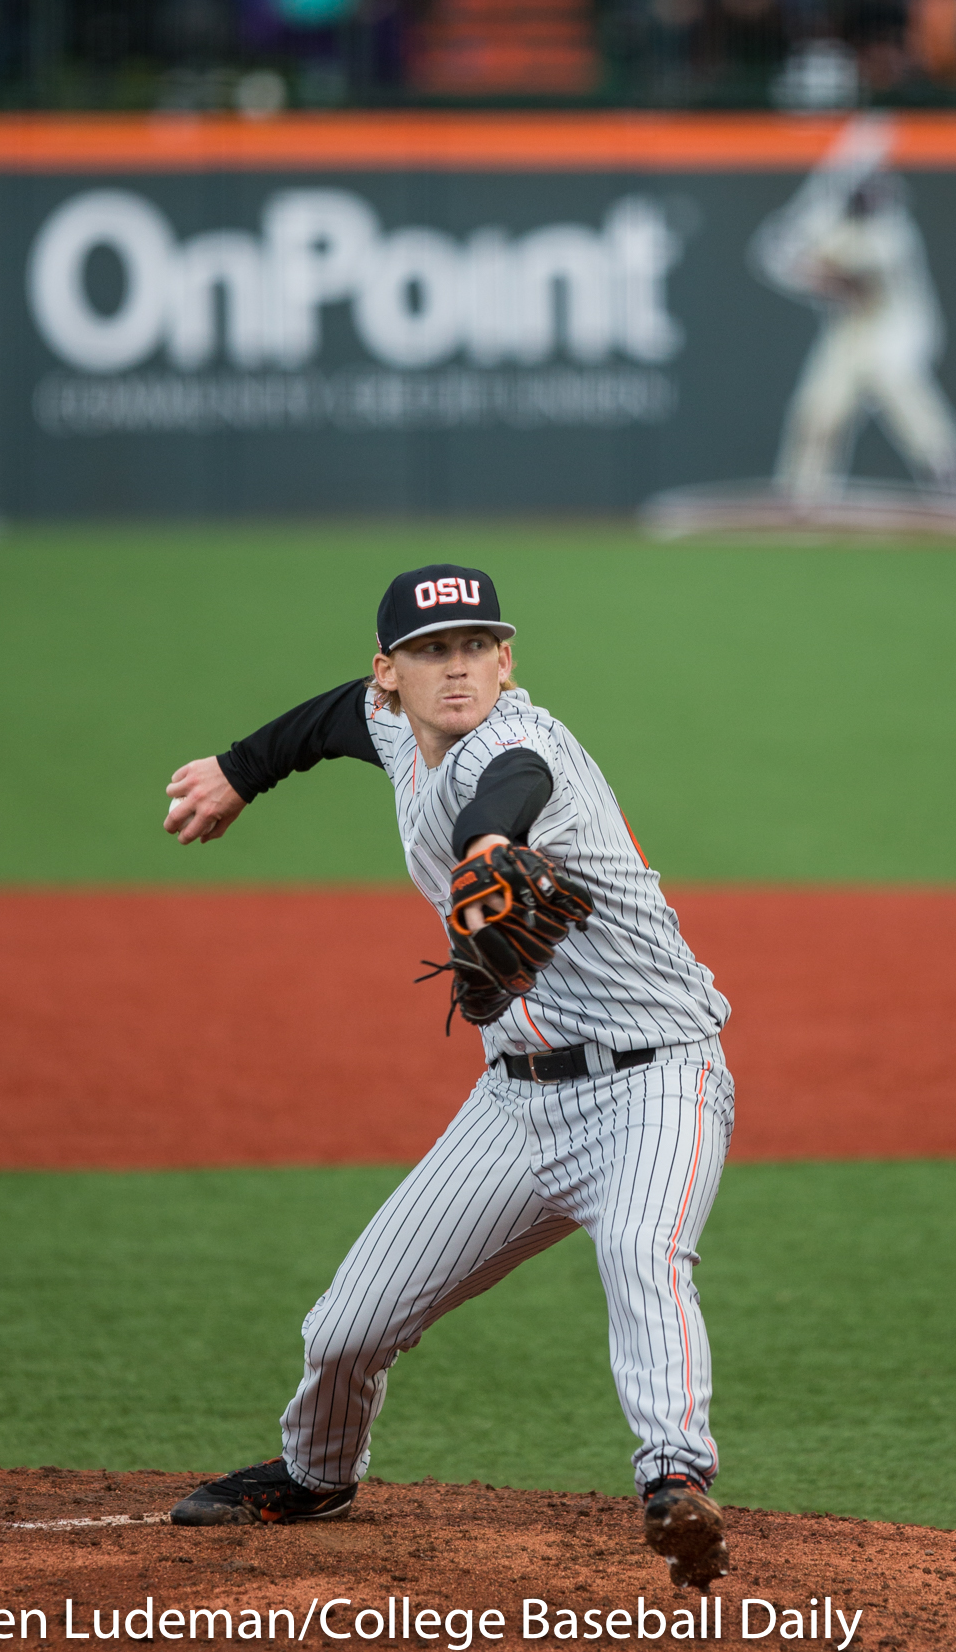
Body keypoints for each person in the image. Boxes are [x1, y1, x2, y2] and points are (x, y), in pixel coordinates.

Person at [161, 566, 735, 1591]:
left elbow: (510, 784)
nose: (456, 664)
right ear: (391, 673)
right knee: (345, 1328)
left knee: (645, 1256)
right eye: (430, 650)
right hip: (514, 1102)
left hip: (659, 1080)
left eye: (476, 644)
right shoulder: (387, 722)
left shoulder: (525, 741)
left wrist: (487, 846)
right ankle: (316, 1472)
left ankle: (674, 1479)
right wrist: (239, 769)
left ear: (506, 659)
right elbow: (331, 721)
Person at [750, 116, 956, 496]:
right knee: (819, 408)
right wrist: (798, 259)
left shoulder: (893, 236)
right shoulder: (827, 218)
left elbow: (857, 286)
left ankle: (945, 462)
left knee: (892, 374)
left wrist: (807, 269)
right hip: (851, 325)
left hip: (899, 320)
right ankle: (802, 491)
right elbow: (771, 254)